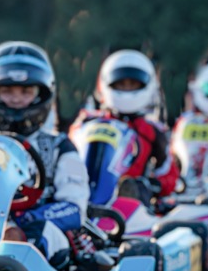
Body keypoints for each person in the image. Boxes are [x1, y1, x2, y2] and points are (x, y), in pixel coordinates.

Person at [0, 41, 92, 271]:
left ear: (41, 94)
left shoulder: (59, 146)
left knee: (32, 235)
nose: (17, 99)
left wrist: (21, 223)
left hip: (42, 232)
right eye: (7, 91)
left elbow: (73, 208)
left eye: (26, 92)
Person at [73, 49, 178, 204]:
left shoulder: (152, 131)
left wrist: (150, 186)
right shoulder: (86, 122)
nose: (127, 89)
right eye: (121, 84)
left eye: (133, 84)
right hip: (81, 198)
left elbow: (169, 175)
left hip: (130, 209)